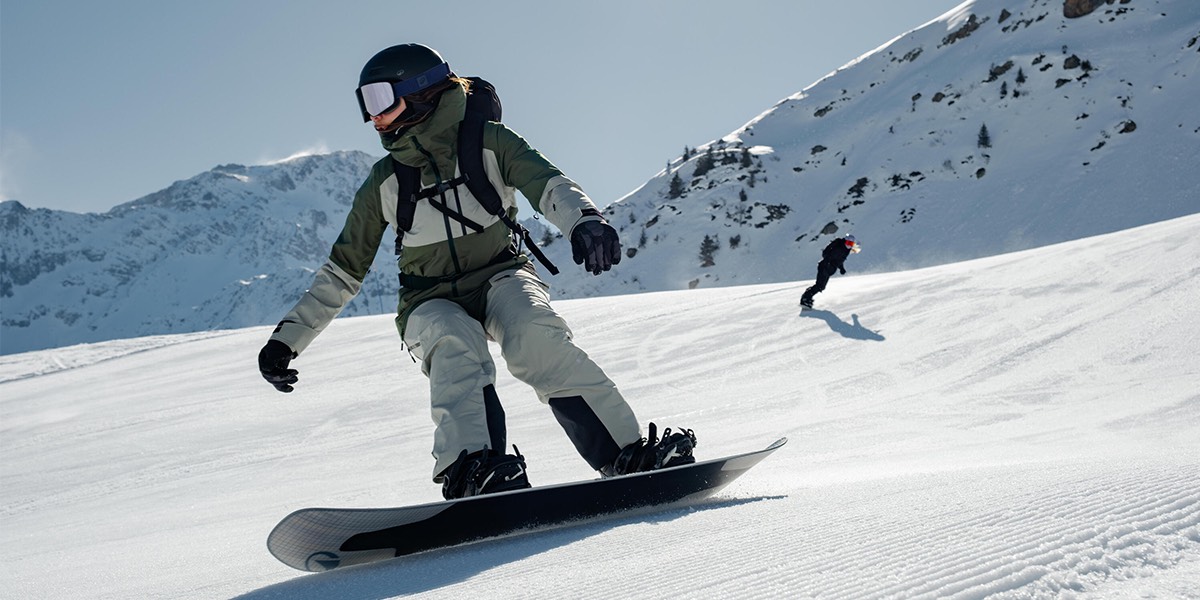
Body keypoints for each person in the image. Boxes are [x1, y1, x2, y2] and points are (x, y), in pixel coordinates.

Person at [257, 43, 695, 500]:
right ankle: (473, 469)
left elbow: (547, 184)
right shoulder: (385, 181)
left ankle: (626, 453)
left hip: (501, 274)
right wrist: (288, 340)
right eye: (364, 103)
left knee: (534, 334)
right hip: (428, 298)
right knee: (451, 340)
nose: (373, 117)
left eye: (380, 99)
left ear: (421, 93)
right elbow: (343, 272)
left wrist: (584, 220)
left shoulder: (490, 143)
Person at [800, 235, 859, 309]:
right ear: (845, 241)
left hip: (829, 270)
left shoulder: (846, 251)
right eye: (848, 242)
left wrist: (841, 268)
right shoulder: (838, 245)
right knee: (819, 286)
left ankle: (807, 297)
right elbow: (825, 253)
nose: (849, 245)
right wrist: (828, 262)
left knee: (822, 287)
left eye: (851, 244)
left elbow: (839, 260)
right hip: (824, 267)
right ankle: (805, 298)